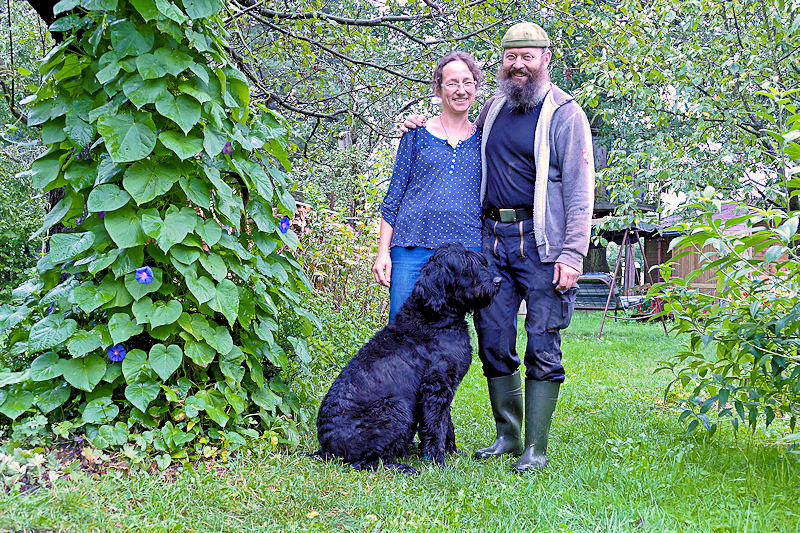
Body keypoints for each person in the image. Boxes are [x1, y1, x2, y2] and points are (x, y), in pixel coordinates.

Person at [403, 22, 595, 472]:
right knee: (493, 338)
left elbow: (580, 189)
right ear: (503, 62)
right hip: (492, 241)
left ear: (546, 58)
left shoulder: (566, 114)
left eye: (528, 56)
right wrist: (419, 125)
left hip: (542, 244)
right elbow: (454, 133)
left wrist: (572, 253)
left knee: (542, 340)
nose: (519, 65)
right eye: (511, 57)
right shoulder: (493, 108)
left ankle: (535, 447)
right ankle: (507, 435)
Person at [373, 51, 485, 321]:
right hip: (411, 247)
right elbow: (393, 197)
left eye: (467, 82)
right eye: (452, 83)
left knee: (449, 334)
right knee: (403, 330)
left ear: (476, 87)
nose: (461, 90)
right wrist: (382, 252)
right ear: (438, 89)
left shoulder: (485, 139)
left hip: (462, 255)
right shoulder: (416, 134)